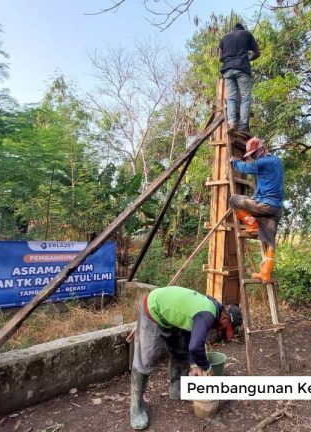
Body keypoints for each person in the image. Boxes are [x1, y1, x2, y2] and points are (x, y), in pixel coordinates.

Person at [127, 286, 243, 430]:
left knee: (180, 350)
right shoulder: (208, 314)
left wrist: (194, 364)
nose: (223, 330)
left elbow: (190, 330)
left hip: (172, 314)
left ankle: (177, 389)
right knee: (146, 358)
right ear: (225, 318)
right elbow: (195, 347)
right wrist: (208, 368)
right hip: (155, 308)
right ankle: (136, 407)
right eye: (227, 327)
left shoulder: (211, 308)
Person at [229, 136, 284, 281]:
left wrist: (234, 162)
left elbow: (245, 167)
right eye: (251, 155)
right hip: (276, 208)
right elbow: (265, 183)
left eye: (253, 154)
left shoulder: (263, 162)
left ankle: (252, 224)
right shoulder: (276, 161)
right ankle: (265, 273)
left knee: (234, 200)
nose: (252, 157)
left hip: (265, 205)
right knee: (269, 242)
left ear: (260, 149)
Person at [218, 23, 260, 132]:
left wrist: (229, 58)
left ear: (233, 29)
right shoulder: (246, 34)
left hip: (227, 70)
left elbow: (220, 58)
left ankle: (231, 123)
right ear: (242, 29)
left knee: (231, 98)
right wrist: (248, 58)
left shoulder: (225, 38)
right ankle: (242, 126)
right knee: (245, 97)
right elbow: (257, 53)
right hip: (242, 68)